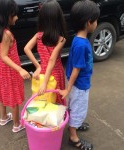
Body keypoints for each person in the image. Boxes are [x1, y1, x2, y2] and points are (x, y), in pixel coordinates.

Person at [58, 0, 100, 149]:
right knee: (78, 108)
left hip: (78, 83)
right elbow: (76, 69)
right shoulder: (81, 44)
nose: (96, 23)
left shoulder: (78, 39)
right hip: (80, 85)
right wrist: (68, 89)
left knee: (76, 106)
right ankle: (73, 137)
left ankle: (76, 124)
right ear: (89, 23)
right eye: (96, 21)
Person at [0, 0, 31, 133]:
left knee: (2, 93)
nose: (17, 18)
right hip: (10, 70)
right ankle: (17, 124)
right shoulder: (6, 34)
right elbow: (4, 55)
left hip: (1, 69)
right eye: (14, 15)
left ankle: (3, 117)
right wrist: (19, 69)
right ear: (5, 16)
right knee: (13, 96)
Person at [24, 0, 66, 104]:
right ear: (58, 18)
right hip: (56, 73)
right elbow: (52, 60)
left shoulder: (38, 35)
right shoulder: (61, 39)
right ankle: (57, 118)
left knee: (44, 99)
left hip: (43, 72)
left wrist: (38, 66)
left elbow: (26, 48)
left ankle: (45, 119)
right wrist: (45, 82)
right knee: (56, 99)